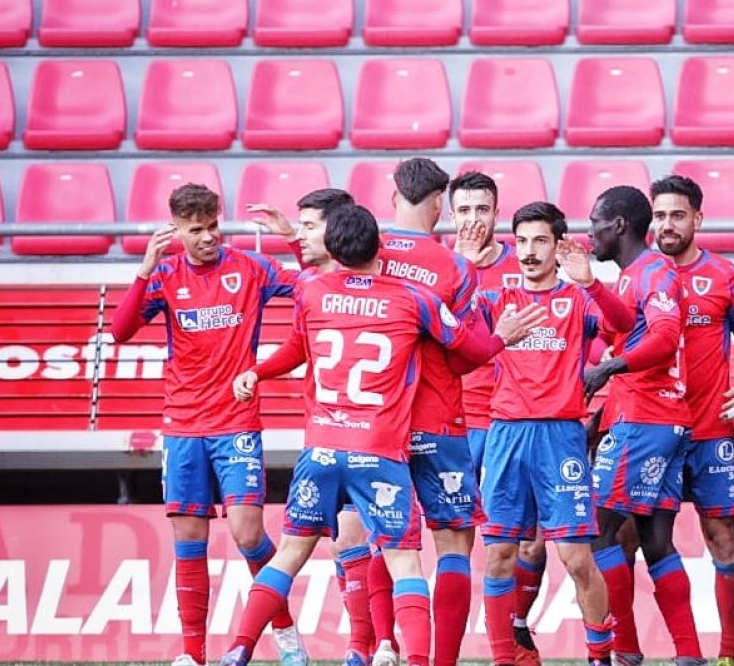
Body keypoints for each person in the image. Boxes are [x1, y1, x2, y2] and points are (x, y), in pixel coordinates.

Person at [218, 204, 543, 666]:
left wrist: (257, 372)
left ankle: (238, 649)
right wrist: (502, 336)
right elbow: (467, 350)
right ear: (380, 247)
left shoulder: (311, 292)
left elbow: (296, 347)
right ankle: (413, 660)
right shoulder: (413, 299)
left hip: (322, 449)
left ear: (333, 247)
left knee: (290, 553)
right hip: (379, 451)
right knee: (405, 562)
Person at [109, 183, 308, 666]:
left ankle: (282, 627)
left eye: (213, 226)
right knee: (189, 541)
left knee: (246, 534)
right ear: (176, 230)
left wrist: (294, 240)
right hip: (182, 426)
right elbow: (119, 331)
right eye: (196, 230)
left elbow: (313, 287)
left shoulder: (250, 268)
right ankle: (192, 655)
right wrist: (143, 271)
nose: (208, 238)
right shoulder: (165, 276)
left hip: (236, 421)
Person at [476, 201, 635, 666]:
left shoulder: (578, 300)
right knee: (499, 556)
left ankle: (598, 656)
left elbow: (625, 324)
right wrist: (466, 270)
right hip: (505, 437)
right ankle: (506, 658)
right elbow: (454, 334)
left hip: (560, 439)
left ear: (558, 245)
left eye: (540, 240)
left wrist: (590, 281)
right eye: (522, 241)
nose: (529, 251)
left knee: (577, 559)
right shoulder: (496, 301)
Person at [243, 188, 380, 666]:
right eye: (298, 228)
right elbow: (298, 343)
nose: (300, 235)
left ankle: (366, 646)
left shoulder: (362, 286)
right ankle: (369, 646)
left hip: (370, 435)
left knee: (355, 541)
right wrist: (288, 237)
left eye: (308, 226)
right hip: (325, 433)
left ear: (335, 229)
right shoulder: (311, 285)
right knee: (343, 543)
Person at [582, 186, 705, 666]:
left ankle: (625, 652)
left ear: (617, 225)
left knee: (597, 531)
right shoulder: (633, 276)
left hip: (647, 420)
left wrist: (608, 370)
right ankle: (689, 655)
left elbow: (665, 336)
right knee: (656, 542)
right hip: (664, 421)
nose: (589, 230)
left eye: (595, 221)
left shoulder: (653, 271)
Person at [373, 157, 485, 666]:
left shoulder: (366, 251)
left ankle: (380, 646)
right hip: (438, 419)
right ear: (439, 202)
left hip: (375, 421)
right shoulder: (454, 267)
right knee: (454, 543)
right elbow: (466, 352)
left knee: (389, 541)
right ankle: (443, 662)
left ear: (394, 195)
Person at [649, 175, 734, 666]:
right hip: (653, 430)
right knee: (642, 538)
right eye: (660, 215)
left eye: (677, 215)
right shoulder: (638, 274)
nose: (667, 225)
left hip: (710, 428)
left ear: (698, 219)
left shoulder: (726, 277)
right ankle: (668, 652)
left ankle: (730, 656)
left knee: (722, 538)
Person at [449, 171, 548, 664]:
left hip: (517, 420)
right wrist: (461, 271)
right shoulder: (444, 267)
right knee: (459, 541)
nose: (472, 220)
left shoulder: (525, 262)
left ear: (496, 212)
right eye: (464, 210)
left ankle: (516, 624)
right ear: (450, 214)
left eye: (481, 210)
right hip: (459, 420)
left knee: (527, 544)